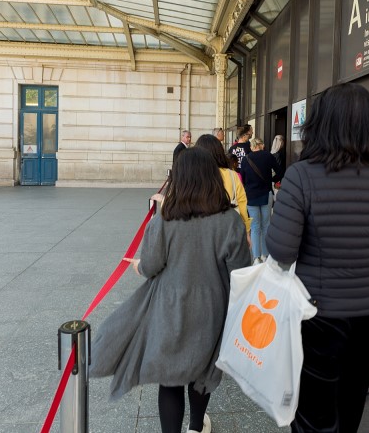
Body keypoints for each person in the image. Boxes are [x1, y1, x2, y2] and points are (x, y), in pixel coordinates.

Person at [265, 82, 369, 433]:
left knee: (312, 415)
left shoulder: (301, 176)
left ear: (319, 124)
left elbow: (280, 252)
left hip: (316, 314)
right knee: (351, 406)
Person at [90, 147, 251, 433]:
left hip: (170, 308)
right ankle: (196, 427)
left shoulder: (164, 219)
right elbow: (240, 273)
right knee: (202, 373)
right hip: (213, 309)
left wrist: (138, 265)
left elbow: (151, 266)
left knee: (171, 377)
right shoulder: (230, 221)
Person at [195, 134, 252, 245]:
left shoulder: (193, 175)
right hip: (227, 231)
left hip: (198, 232)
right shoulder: (232, 175)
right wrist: (247, 232)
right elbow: (242, 204)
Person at [241, 137, 284, 264]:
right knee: (266, 225)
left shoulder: (245, 159)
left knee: (254, 227)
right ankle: (266, 255)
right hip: (266, 193)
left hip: (251, 196)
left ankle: (256, 257)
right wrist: (272, 180)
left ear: (252, 146)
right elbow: (280, 172)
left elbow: (243, 178)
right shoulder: (268, 156)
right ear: (260, 145)